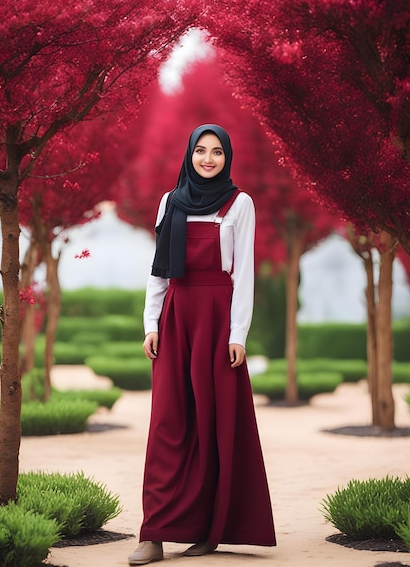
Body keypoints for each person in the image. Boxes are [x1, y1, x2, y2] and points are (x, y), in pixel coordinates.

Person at [128, 124, 276, 566]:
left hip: (217, 319)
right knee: (168, 424)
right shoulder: (169, 202)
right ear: (189, 154)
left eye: (216, 152)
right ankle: (154, 532)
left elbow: (244, 273)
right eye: (200, 151)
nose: (208, 159)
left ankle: (211, 529)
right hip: (176, 317)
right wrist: (150, 322)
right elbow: (159, 270)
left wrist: (238, 334)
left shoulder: (239, 203)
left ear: (227, 157)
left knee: (214, 422)